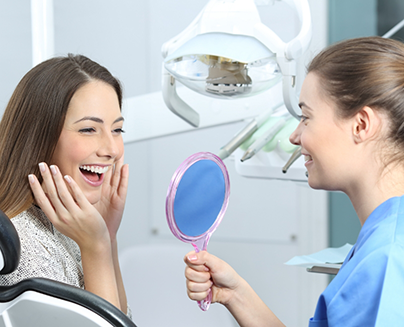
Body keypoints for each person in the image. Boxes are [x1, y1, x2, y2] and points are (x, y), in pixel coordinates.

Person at [184, 36, 404, 326]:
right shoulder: (384, 238)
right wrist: (236, 294)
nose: (294, 136)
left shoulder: (385, 259)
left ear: (361, 125)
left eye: (306, 117)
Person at [0, 54, 131, 317]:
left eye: (117, 130)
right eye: (88, 130)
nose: (112, 150)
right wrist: (97, 247)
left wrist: (107, 236)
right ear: (39, 137)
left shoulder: (69, 225)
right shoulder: (24, 248)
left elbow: (123, 318)